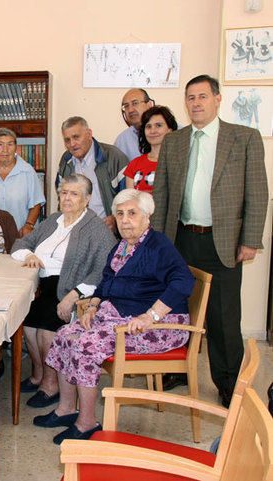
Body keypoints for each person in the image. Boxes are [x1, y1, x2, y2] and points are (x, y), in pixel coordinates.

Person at [36, 189, 194, 444]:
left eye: (132, 213)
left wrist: (150, 315)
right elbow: (106, 281)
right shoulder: (121, 246)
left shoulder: (158, 245)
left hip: (158, 326)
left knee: (86, 344)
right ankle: (66, 408)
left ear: (147, 216)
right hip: (121, 318)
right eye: (120, 214)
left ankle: (87, 424)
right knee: (65, 333)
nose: (125, 219)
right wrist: (93, 307)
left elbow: (184, 281)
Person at [152, 74, 268, 407]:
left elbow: (257, 193)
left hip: (224, 241)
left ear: (217, 99)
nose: (196, 103)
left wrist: (250, 241)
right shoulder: (174, 141)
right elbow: (161, 192)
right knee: (176, 311)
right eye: (190, 98)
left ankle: (229, 385)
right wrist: (160, 241)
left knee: (223, 317)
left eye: (202, 96)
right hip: (181, 239)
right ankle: (175, 370)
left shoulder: (243, 138)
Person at [10, 174, 115, 408]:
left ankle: (52, 384)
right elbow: (20, 244)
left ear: (87, 199)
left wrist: (75, 293)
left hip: (73, 292)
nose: (67, 198)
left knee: (47, 329)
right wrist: (29, 255)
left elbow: (105, 269)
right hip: (46, 288)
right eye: (63, 193)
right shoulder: (53, 220)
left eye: (74, 193)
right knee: (27, 323)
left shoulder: (95, 228)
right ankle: (39, 375)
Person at [55, 116, 129, 232]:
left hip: (106, 230)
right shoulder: (66, 160)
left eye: (76, 137)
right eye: (67, 140)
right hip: (74, 231)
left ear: (89, 134)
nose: (72, 144)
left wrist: (115, 218)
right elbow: (61, 196)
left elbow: (128, 196)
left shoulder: (113, 157)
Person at [0, 128, 45, 237]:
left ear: (15, 148)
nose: (5, 150)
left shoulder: (27, 171)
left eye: (10, 144)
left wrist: (29, 225)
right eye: (0, 144)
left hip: (19, 234)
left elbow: (36, 203)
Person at [124, 106, 178, 194]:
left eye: (158, 125)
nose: (152, 131)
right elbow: (129, 200)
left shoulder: (179, 163)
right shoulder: (134, 164)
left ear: (170, 130)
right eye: (148, 126)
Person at [114, 89, 154, 161]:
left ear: (149, 105)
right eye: (126, 106)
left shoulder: (173, 131)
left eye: (135, 103)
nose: (130, 110)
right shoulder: (122, 140)